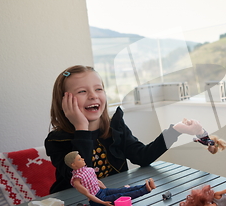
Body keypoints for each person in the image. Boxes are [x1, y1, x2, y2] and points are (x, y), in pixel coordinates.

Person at [45, 65, 204, 193]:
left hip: (113, 198)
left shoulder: (116, 128)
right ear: (64, 101)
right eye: (82, 91)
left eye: (98, 89)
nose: (93, 95)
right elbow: (78, 179)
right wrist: (81, 128)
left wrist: (175, 130)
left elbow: (142, 157)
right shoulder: (56, 141)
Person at [65, 151, 156, 206]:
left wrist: (107, 190)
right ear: (73, 164)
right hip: (97, 199)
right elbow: (88, 194)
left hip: (102, 191)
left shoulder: (88, 170)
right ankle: (145, 190)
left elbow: (97, 181)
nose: (83, 159)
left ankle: (145, 185)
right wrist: (103, 202)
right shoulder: (76, 179)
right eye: (79, 159)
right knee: (120, 196)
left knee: (121, 190)